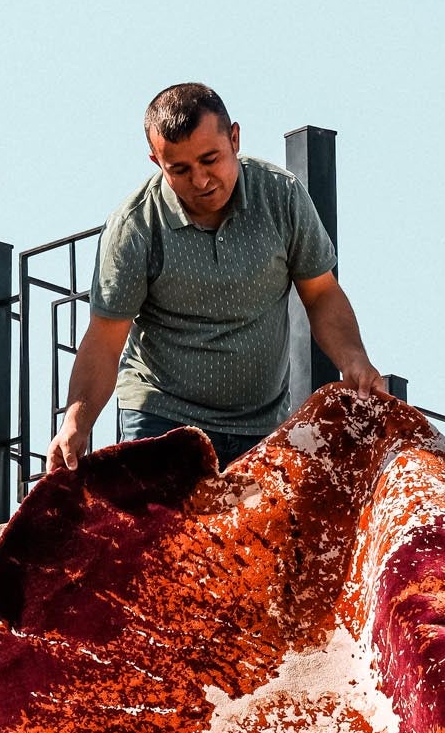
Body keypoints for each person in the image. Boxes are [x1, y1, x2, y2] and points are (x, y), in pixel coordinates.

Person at [45, 82, 388, 473]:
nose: (200, 180)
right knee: (165, 515)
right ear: (157, 161)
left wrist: (354, 360)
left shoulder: (281, 195)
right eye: (180, 169)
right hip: (163, 419)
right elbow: (105, 341)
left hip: (262, 426)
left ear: (235, 139)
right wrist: (76, 424)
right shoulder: (135, 226)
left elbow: (321, 293)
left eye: (210, 159)